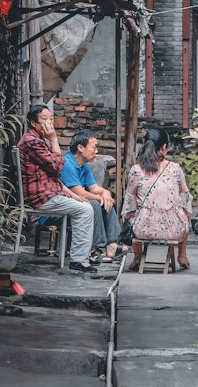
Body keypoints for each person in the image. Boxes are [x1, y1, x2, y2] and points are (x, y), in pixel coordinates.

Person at [17, 103, 97, 276]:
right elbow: (57, 167)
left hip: (49, 192)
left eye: (51, 119)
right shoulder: (32, 142)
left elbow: (53, 178)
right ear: (33, 123)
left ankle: (81, 258)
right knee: (86, 210)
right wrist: (54, 139)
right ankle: (79, 260)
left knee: (83, 204)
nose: (49, 123)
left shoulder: (38, 140)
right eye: (44, 119)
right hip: (40, 198)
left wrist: (72, 195)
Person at [122, 127, 192, 271]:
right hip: (174, 230)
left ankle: (137, 257)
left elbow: (130, 200)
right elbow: (185, 195)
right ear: (164, 147)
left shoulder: (136, 169)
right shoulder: (175, 168)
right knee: (183, 215)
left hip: (143, 229)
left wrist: (128, 216)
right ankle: (182, 256)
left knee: (133, 216)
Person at [61, 129, 123, 263]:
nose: (96, 151)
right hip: (63, 205)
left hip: (78, 203)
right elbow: (79, 193)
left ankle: (112, 244)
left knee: (107, 200)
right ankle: (93, 249)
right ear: (81, 148)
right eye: (94, 147)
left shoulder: (84, 166)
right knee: (95, 203)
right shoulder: (67, 164)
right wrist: (101, 197)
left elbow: (94, 188)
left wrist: (105, 193)